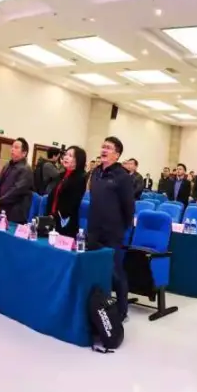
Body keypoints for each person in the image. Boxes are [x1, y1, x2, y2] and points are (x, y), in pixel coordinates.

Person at [88, 136, 135, 321]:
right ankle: (99, 304)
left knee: (115, 271)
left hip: (112, 232)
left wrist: (121, 228)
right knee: (95, 267)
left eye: (108, 148)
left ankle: (122, 310)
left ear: (117, 154)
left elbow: (128, 207)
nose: (104, 150)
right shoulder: (96, 172)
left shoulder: (122, 177)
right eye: (103, 146)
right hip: (94, 229)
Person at [49, 145, 87, 238]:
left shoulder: (80, 178)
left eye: (70, 156)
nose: (66, 157)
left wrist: (56, 216)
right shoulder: (61, 175)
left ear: (78, 160)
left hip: (65, 222)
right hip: (52, 219)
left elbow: (72, 203)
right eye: (66, 154)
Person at [0, 138, 34, 224]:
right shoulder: (7, 165)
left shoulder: (26, 170)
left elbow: (16, 191)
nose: (12, 149)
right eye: (12, 147)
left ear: (24, 153)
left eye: (16, 147)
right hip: (0, 209)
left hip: (15, 215)